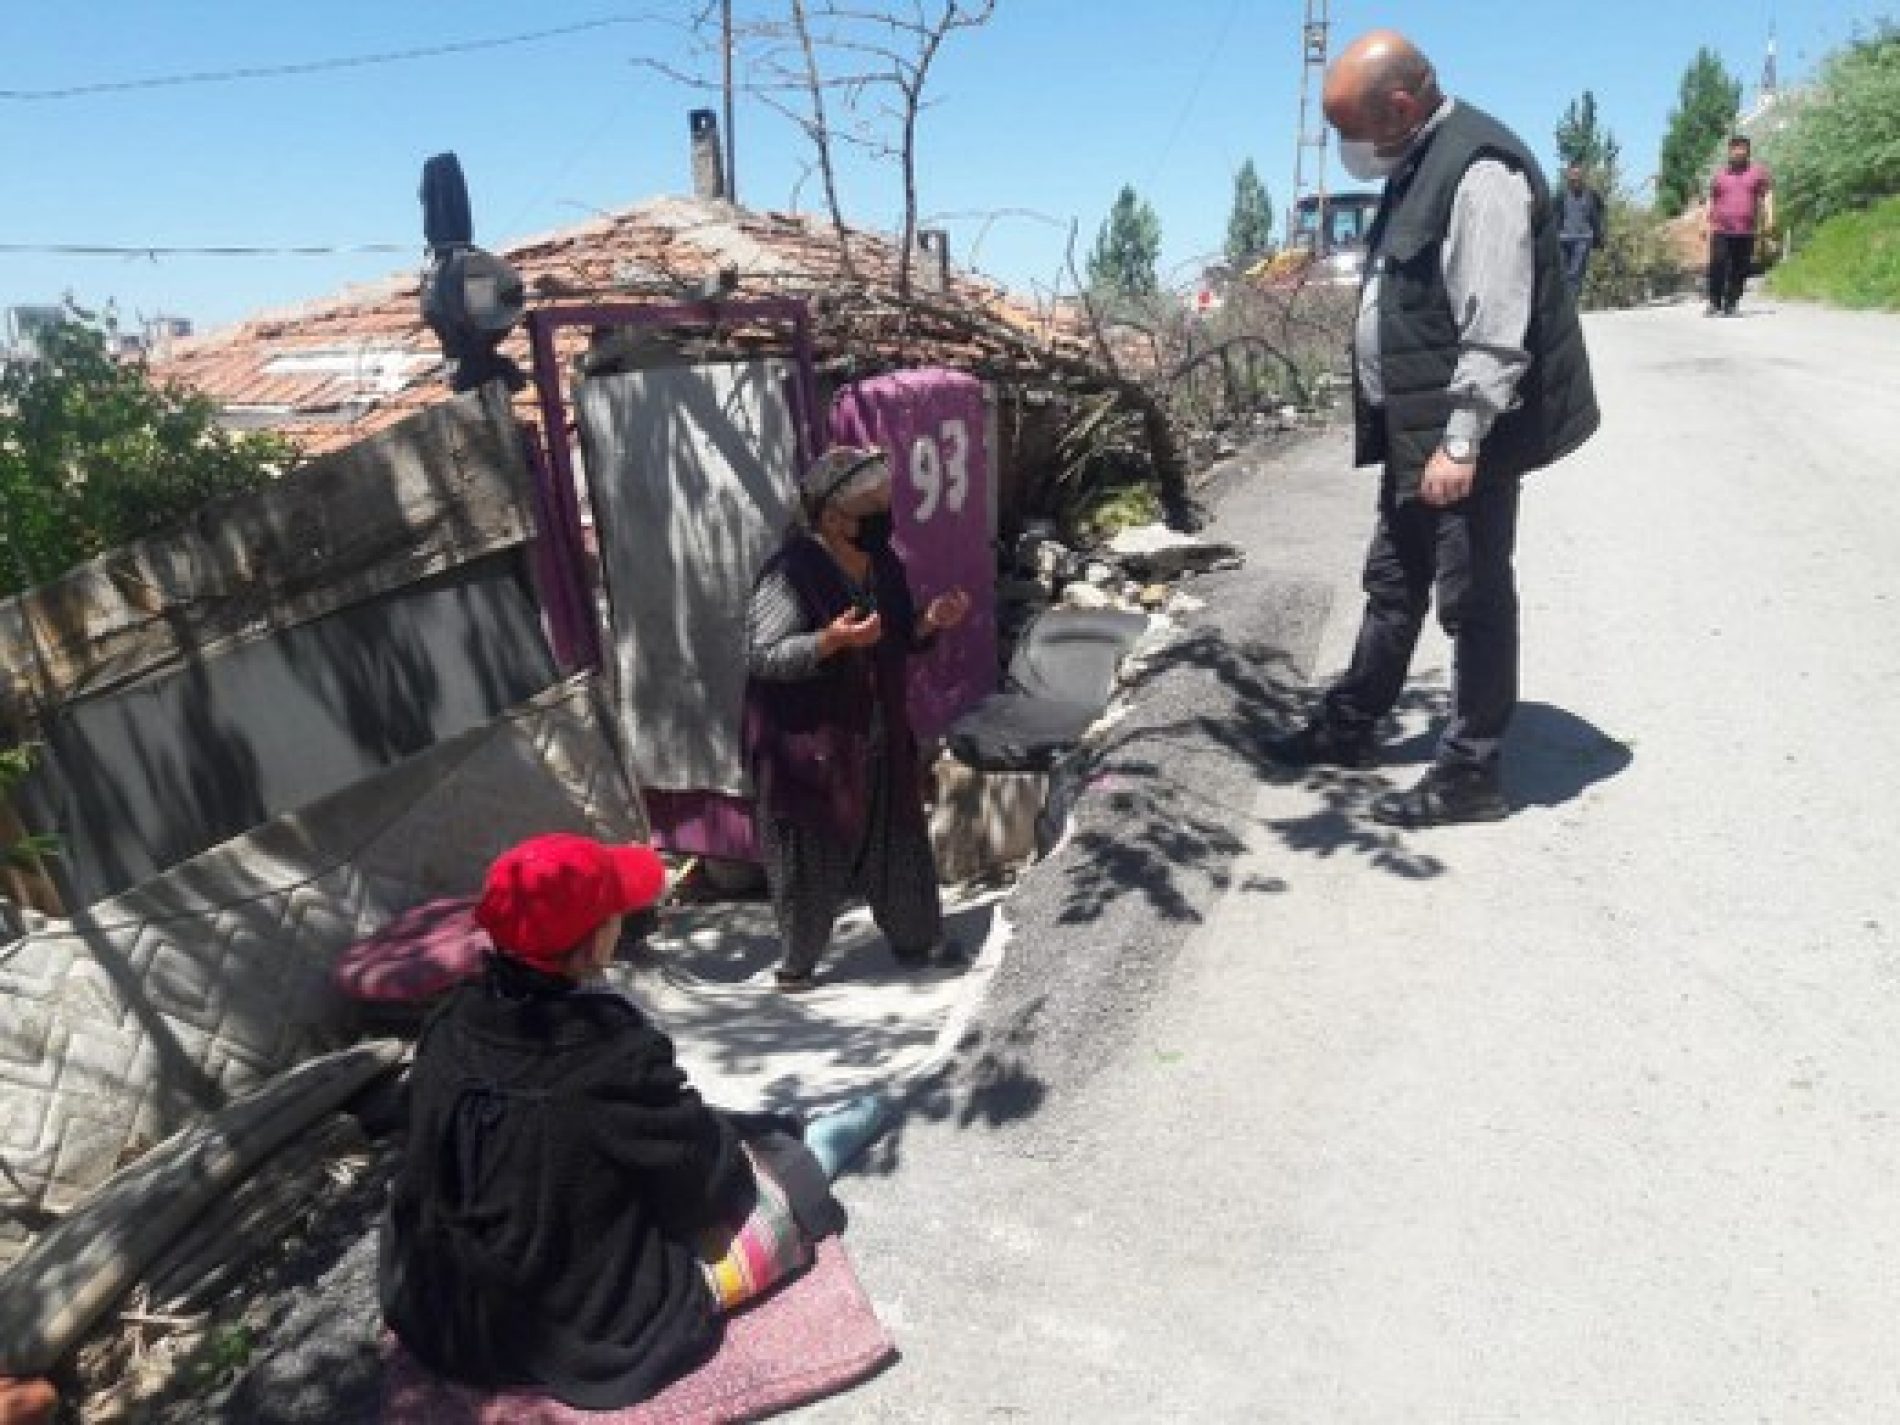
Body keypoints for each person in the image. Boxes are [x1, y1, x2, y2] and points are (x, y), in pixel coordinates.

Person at [1268, 29, 1600, 827]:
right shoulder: (1418, 159)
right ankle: (1351, 723)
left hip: (1465, 431)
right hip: (1418, 421)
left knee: (1473, 593)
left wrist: (1462, 440)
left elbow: (1495, 322)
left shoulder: (1479, 170)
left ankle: (1470, 773)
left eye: (1353, 128)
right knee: (1393, 579)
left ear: (1403, 106)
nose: (1349, 146)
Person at [380, 834, 802, 1409]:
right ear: (593, 942)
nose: (624, 922)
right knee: (794, 1163)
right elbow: (703, 1191)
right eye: (615, 914)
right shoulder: (609, 1056)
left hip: (436, 1306)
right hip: (560, 1333)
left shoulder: (449, 1022)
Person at [743, 445, 970, 991]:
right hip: (808, 746)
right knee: (809, 854)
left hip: (877, 732)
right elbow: (761, 654)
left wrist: (929, 623)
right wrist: (829, 642)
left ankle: (917, 940)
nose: (880, 513)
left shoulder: (883, 561)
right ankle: (796, 968)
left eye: (883, 501)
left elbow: (895, 636)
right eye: (868, 504)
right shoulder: (790, 574)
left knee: (897, 839)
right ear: (830, 515)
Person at [1705, 135, 1774, 317]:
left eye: (1742, 148)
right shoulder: (1720, 175)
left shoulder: (1757, 173)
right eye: (1735, 148)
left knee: (1740, 268)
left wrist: (1770, 216)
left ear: (1748, 151)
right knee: (1718, 264)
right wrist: (1706, 222)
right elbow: (1711, 198)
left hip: (1746, 230)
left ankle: (1731, 304)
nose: (1739, 152)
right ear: (1730, 151)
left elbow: (1767, 194)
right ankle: (1714, 302)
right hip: (1721, 228)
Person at [1558, 162, 1607, 300]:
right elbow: (1554, 216)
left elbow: (1601, 211)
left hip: (1583, 239)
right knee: (1562, 274)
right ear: (1568, 177)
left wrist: (1600, 233)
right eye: (1572, 176)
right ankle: (1564, 304)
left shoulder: (1591, 195)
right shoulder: (1561, 195)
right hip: (1563, 239)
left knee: (1575, 274)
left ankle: (1571, 306)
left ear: (1582, 177)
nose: (1575, 179)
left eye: (1578, 176)